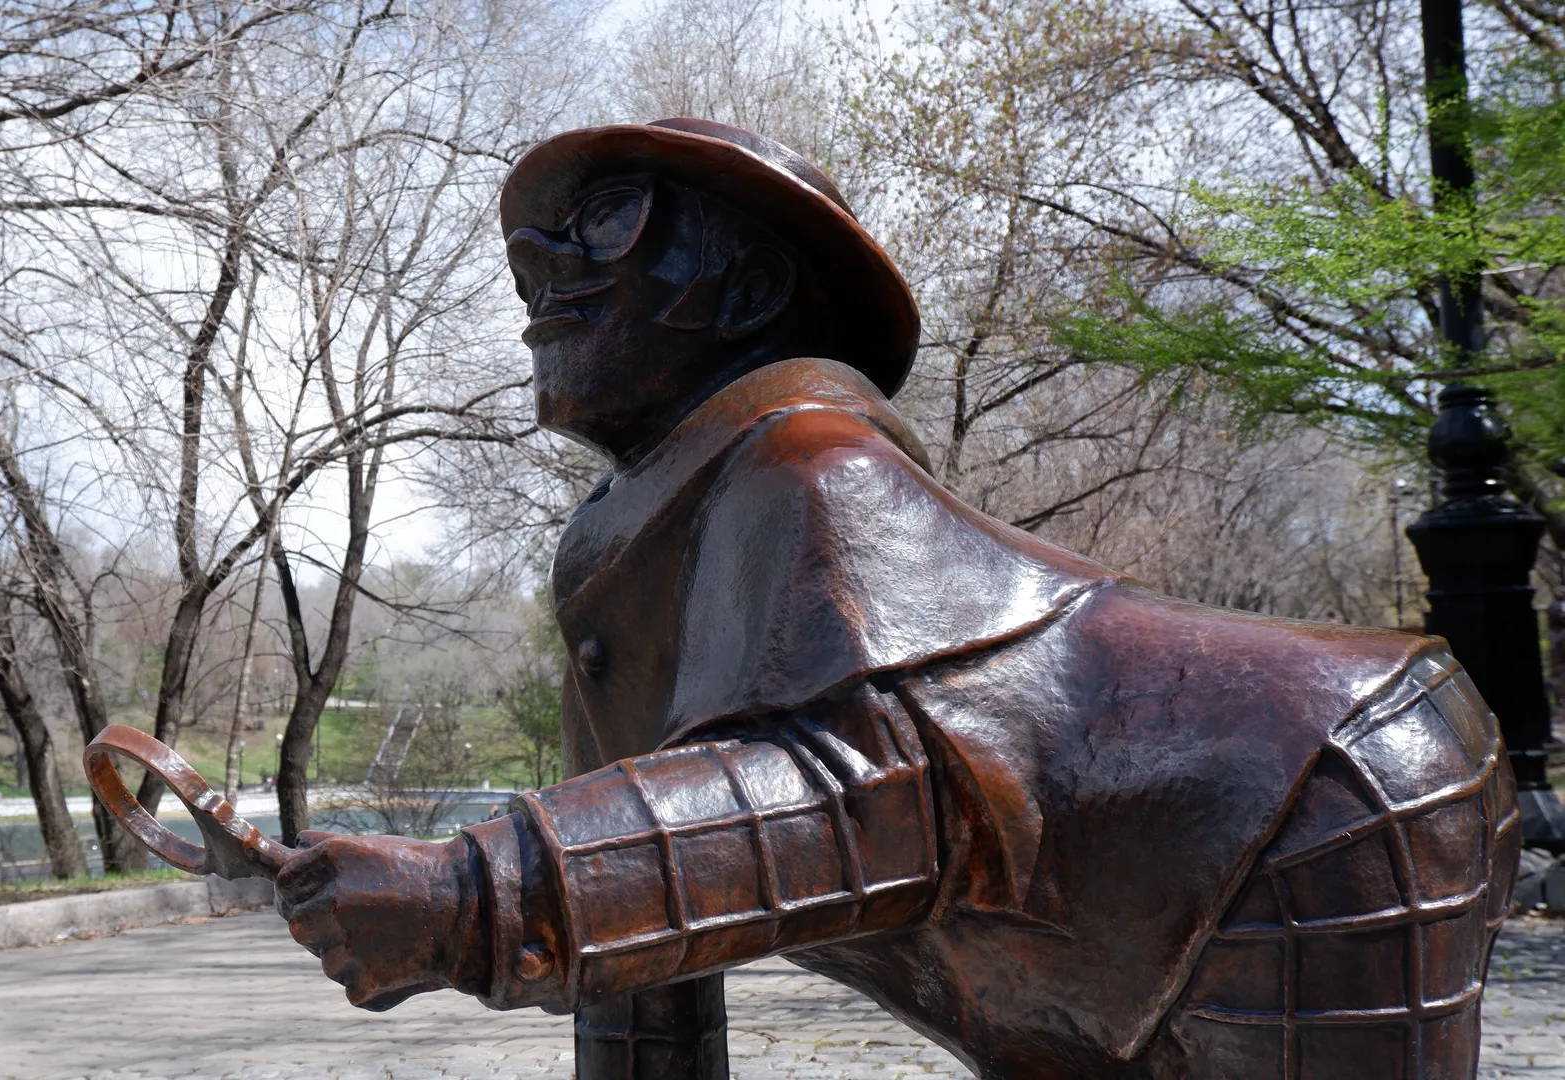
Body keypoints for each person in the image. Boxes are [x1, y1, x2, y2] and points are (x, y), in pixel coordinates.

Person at [274, 119, 1518, 1079]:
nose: (539, 265)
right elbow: (639, 942)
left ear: (753, 291)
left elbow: (865, 793)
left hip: (1305, 804)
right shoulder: (638, 541)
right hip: (1143, 879)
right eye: (532, 243)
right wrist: (521, 899)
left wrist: (470, 896)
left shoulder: (808, 464)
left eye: (608, 222)